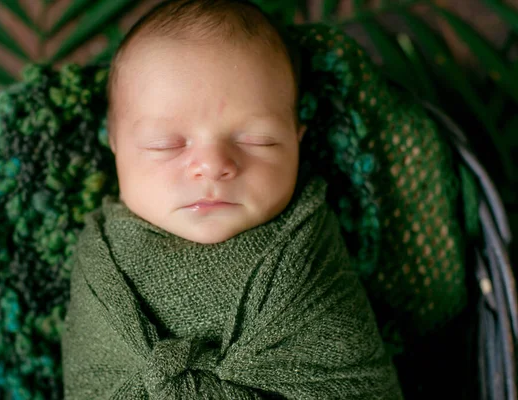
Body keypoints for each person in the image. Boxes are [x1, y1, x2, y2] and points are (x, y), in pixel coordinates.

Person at [61, 0, 404, 398]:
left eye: (257, 140)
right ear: (115, 143)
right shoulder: (100, 260)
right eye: (165, 144)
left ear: (298, 140)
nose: (212, 166)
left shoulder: (312, 254)